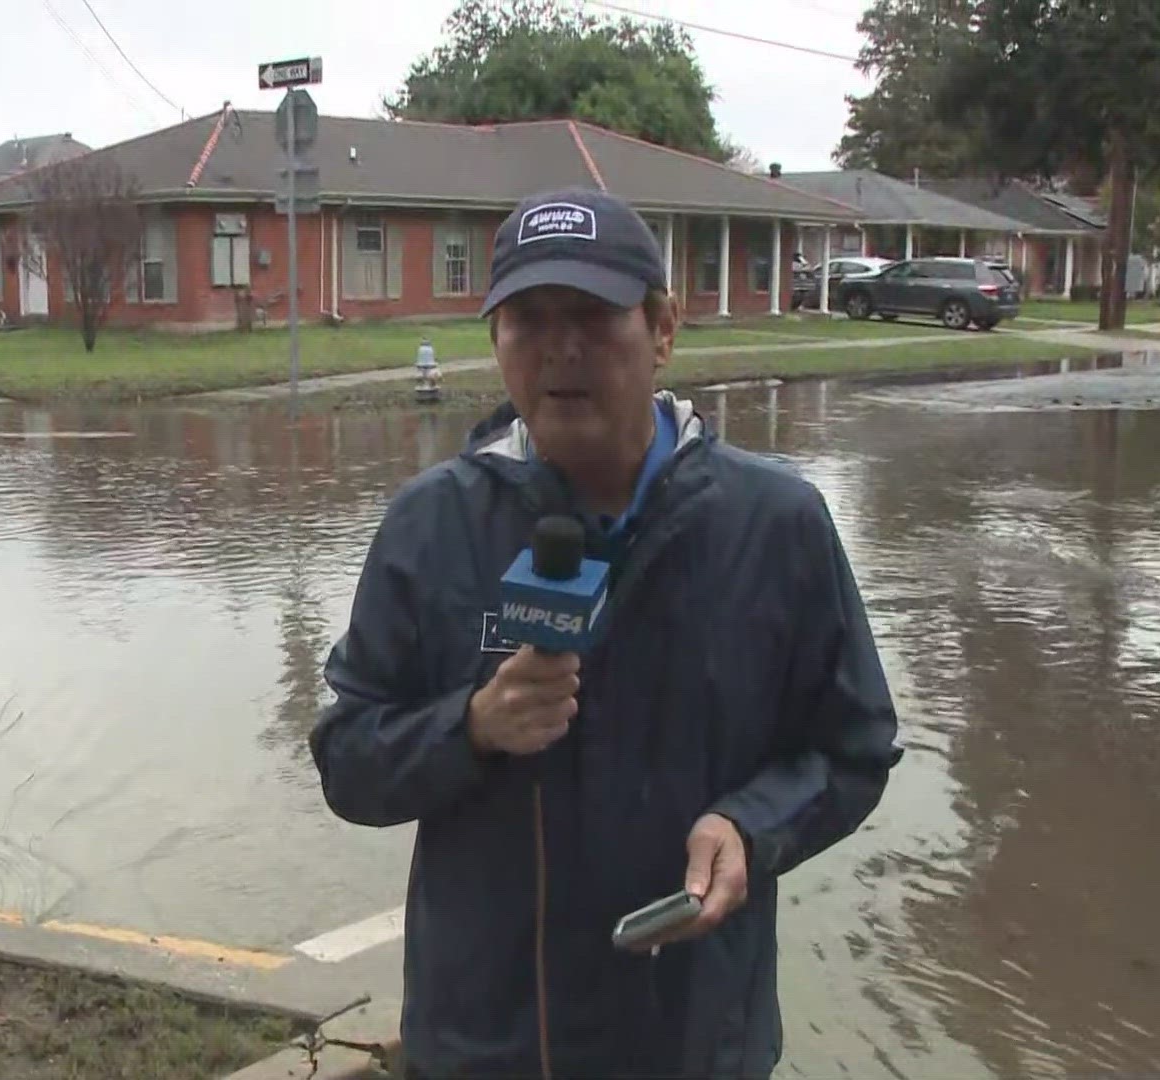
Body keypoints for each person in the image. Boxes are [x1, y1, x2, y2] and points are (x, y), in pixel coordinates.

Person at [309, 188, 903, 1080]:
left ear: (663, 329)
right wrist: (470, 727)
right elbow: (348, 759)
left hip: (698, 1046)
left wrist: (751, 828)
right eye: (528, 320)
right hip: (487, 1050)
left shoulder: (776, 525)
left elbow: (854, 748)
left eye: (591, 315)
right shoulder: (430, 527)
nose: (561, 349)